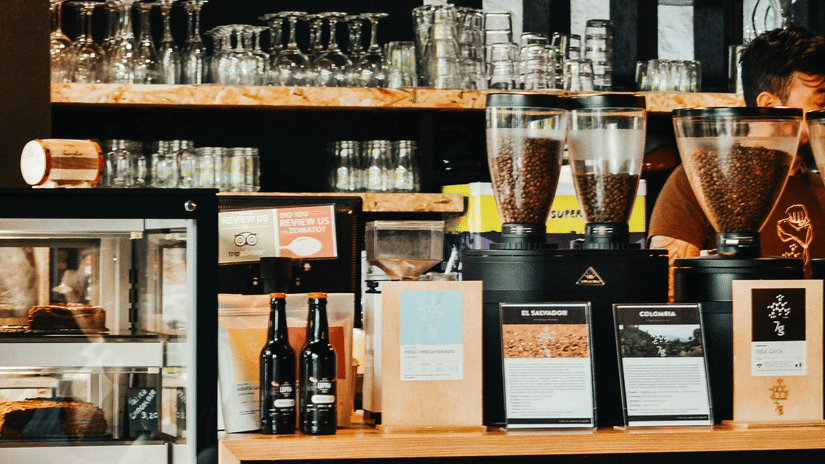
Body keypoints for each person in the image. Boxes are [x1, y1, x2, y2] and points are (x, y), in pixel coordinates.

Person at [648, 26, 825, 299]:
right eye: (821, 104)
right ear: (769, 106)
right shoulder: (699, 181)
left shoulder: (819, 186)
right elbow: (668, 292)